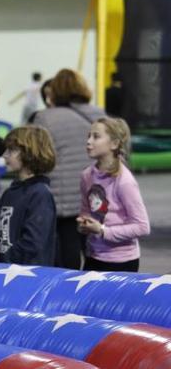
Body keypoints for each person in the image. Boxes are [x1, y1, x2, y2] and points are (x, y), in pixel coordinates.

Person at [32, 69, 105, 269]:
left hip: (63, 201)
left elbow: (38, 158)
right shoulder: (99, 114)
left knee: (67, 256)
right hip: (97, 197)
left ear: (54, 91)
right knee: (97, 253)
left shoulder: (45, 118)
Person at [77, 117, 150, 272]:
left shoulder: (124, 181)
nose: (89, 141)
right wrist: (84, 224)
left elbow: (142, 227)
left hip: (121, 261)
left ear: (114, 144)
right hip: (93, 256)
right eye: (88, 136)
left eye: (96, 137)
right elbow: (86, 210)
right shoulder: (86, 175)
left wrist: (103, 230)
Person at [0, 126, 57, 266]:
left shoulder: (40, 194)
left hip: (27, 275)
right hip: (5, 270)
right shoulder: (10, 192)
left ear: (30, 153)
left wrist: (7, 259)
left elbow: (33, 242)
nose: (5, 155)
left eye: (12, 150)